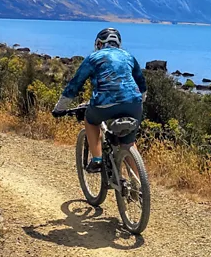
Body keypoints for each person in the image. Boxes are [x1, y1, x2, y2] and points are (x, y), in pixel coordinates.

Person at [52, 28, 147, 173]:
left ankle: (97, 159)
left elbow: (74, 85)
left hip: (104, 103)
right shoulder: (129, 56)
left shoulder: (93, 57)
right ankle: (138, 186)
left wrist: (59, 108)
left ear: (99, 43)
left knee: (90, 120)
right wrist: (141, 99)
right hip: (134, 103)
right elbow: (141, 83)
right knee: (128, 142)